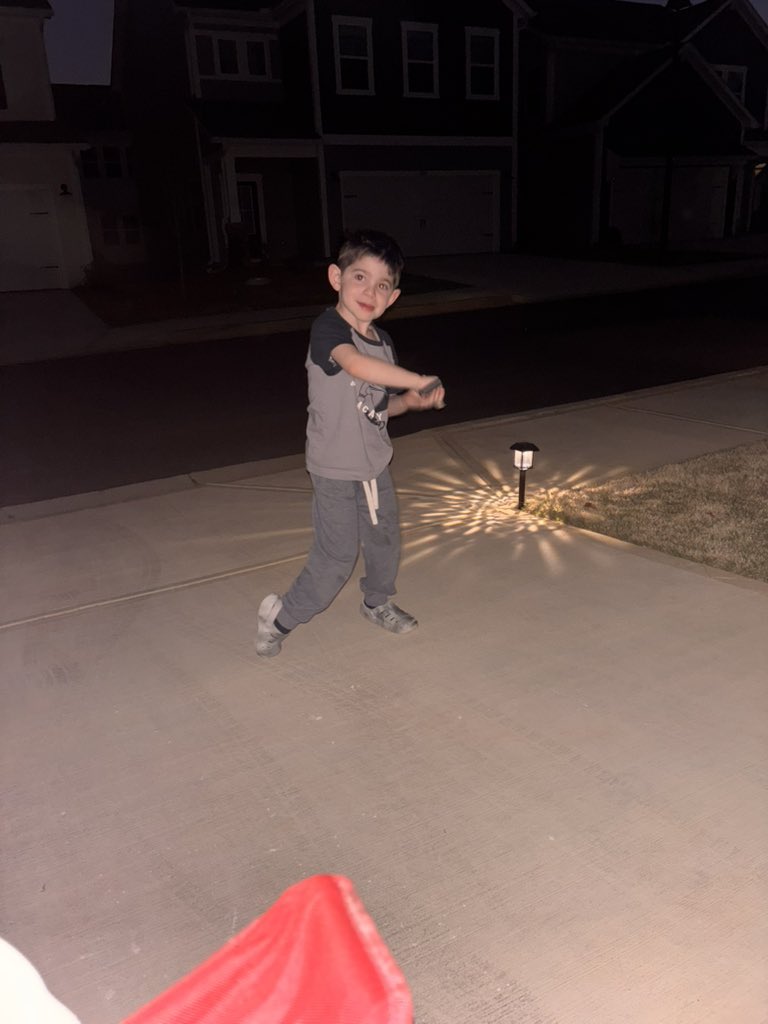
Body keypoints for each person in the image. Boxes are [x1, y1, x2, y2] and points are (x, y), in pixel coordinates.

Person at [255, 229, 446, 658]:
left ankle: (377, 603)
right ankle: (281, 619)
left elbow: (378, 406)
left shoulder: (385, 345)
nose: (369, 292)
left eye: (382, 285)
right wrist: (417, 379)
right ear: (336, 278)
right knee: (336, 557)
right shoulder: (328, 329)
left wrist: (409, 401)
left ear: (392, 298)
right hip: (334, 469)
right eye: (360, 277)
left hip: (374, 466)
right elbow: (355, 365)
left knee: (384, 541)